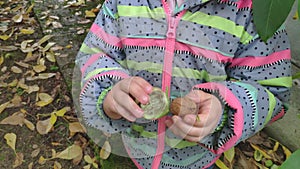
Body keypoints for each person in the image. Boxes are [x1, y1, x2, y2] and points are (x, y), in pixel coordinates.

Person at [73, 0, 292, 168]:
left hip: (197, 158)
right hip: (138, 146)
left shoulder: (253, 12)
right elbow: (96, 53)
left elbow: (271, 90)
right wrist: (110, 93)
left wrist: (223, 110)